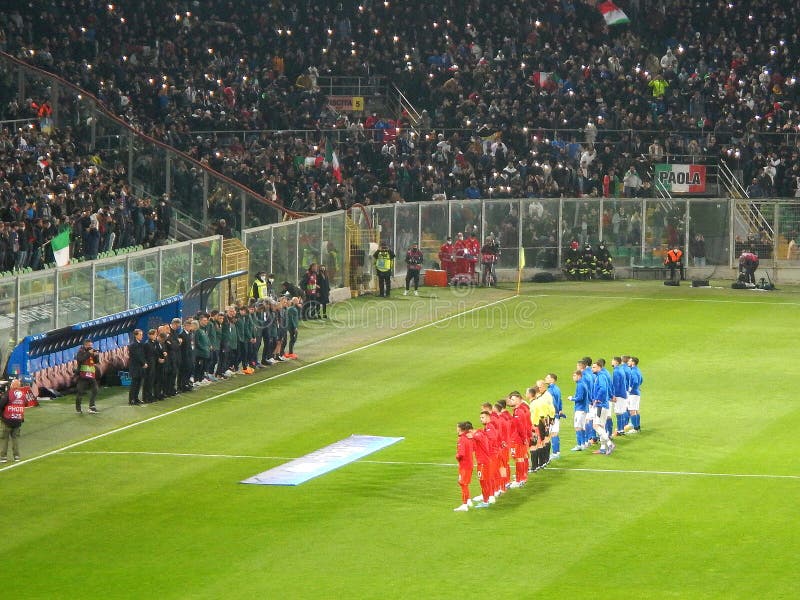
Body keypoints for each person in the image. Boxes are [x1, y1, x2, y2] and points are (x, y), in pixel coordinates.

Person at [1, 379, 34, 462]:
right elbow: (26, 403)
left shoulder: (8, 394)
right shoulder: (22, 395)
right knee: (15, 438)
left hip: (7, 419)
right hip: (18, 420)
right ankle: (16, 456)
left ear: (12, 385)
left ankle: (3, 457)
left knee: (5, 438)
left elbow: (1, 404)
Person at [506, 391, 531, 488]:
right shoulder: (522, 408)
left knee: (518, 458)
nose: (511, 401)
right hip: (522, 437)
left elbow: (520, 427)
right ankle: (523, 476)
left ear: (519, 399)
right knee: (523, 456)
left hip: (517, 439)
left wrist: (524, 437)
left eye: (513, 399)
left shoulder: (518, 412)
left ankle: (519, 479)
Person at [590, 361, 615, 455]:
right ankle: (603, 448)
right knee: (601, 427)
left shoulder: (600, 377)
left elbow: (603, 389)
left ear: (599, 367)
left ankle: (609, 443)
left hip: (600, 406)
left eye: (594, 367)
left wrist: (597, 399)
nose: (592, 369)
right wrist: (611, 396)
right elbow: (608, 388)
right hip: (605, 405)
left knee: (595, 426)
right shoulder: (603, 376)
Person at [74, 338, 100, 413]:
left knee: (95, 389)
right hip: (83, 375)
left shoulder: (91, 351)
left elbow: (96, 362)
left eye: (91, 345)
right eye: (89, 345)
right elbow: (81, 359)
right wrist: (89, 353)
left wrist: (96, 356)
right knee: (80, 392)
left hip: (91, 375)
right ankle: (78, 408)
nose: (91, 347)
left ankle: (92, 407)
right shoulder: (80, 352)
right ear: (85, 345)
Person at [454, 421, 474, 512]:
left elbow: (461, 454)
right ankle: (469, 500)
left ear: (460, 428)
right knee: (463, 482)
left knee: (463, 483)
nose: (456, 428)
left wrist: (457, 457)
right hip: (469, 464)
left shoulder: (462, 439)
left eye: (457, 427)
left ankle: (464, 505)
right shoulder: (468, 437)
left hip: (464, 465)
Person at [569, 368, 590, 451]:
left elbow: (580, 398)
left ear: (579, 376)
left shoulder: (580, 385)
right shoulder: (582, 384)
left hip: (580, 409)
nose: (573, 377)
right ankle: (584, 443)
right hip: (583, 408)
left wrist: (572, 398)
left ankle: (579, 445)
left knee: (577, 427)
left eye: (574, 376)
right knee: (581, 427)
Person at [545, 373, 563, 459]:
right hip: (556, 414)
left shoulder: (551, 390)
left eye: (547, 377)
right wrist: (560, 410)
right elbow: (560, 400)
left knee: (553, 433)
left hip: (552, 415)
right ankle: (557, 452)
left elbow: (554, 402)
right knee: (554, 433)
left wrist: (554, 413)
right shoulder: (557, 388)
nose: (545, 378)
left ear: (552, 380)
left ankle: (555, 453)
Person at [127, 328, 148, 405]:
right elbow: (137, 356)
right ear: (136, 335)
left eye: (142, 334)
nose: (142, 336)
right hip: (135, 367)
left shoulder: (140, 344)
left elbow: (143, 355)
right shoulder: (133, 345)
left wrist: (144, 362)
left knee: (139, 383)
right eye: (140, 334)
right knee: (134, 384)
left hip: (140, 367)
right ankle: (131, 399)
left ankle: (136, 398)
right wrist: (143, 363)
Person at [611, 357, 629, 436]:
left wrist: (614, 395)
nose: (611, 362)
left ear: (616, 362)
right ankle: (621, 429)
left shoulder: (616, 371)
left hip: (618, 394)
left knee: (618, 412)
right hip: (623, 393)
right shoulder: (621, 369)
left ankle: (619, 430)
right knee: (621, 412)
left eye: (612, 360)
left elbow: (616, 384)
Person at [627, 356, 643, 433]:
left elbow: (636, 381)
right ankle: (638, 426)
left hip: (633, 393)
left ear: (633, 362)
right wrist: (638, 387)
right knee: (636, 410)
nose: (628, 362)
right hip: (637, 393)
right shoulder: (638, 369)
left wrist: (631, 388)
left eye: (629, 361)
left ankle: (635, 428)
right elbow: (641, 379)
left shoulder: (633, 371)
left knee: (632, 410)